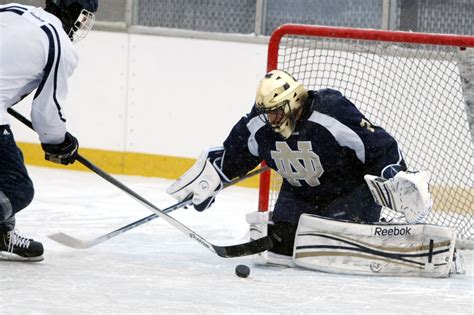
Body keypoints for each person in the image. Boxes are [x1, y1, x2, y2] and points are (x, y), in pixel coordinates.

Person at [167, 69, 432, 266]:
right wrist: (213, 175)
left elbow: (379, 145)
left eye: (276, 112)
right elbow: (235, 153)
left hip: (348, 192)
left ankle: (379, 229)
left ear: (293, 101)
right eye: (267, 112)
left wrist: (393, 175)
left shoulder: (331, 111)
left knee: (336, 249)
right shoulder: (260, 123)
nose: (271, 119)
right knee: (281, 249)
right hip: (299, 195)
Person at [0, 0, 98, 261]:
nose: (82, 24)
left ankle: (2, 233)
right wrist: (59, 141)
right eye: (84, 15)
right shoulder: (59, 44)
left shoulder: (12, 10)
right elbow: (46, 111)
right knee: (16, 188)